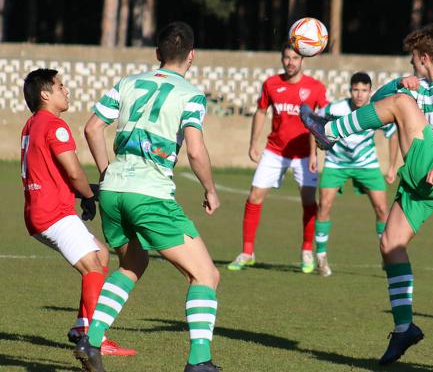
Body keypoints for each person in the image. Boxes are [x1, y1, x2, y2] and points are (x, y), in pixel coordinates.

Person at [301, 24, 433, 364]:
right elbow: (376, 103)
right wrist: (400, 83)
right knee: (390, 244)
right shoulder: (414, 88)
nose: (412, 65)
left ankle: (329, 131)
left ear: (424, 57)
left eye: (413, 60)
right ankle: (404, 329)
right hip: (419, 177)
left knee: (401, 104)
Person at [73, 22, 222, 372]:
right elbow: (196, 152)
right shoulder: (191, 94)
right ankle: (199, 363)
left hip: (112, 193)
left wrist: (106, 171)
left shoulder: (127, 83)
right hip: (150, 195)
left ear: (157, 54)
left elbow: (93, 126)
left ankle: (91, 339)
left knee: (132, 264)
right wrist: (210, 190)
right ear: (192, 56)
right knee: (206, 276)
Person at [20, 68, 135, 357]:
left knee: (100, 253)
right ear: (46, 94)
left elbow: (48, 172)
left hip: (39, 211)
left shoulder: (31, 124)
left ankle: (82, 325)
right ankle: (97, 339)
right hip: (53, 213)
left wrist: (84, 193)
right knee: (93, 268)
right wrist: (88, 194)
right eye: (61, 86)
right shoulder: (55, 125)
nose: (66, 90)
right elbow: (72, 171)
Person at [227, 44, 328, 273]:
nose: (290, 62)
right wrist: (254, 142)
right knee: (254, 196)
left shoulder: (315, 88)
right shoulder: (271, 84)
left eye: (295, 58)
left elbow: (323, 119)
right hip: (275, 151)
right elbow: (261, 111)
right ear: (282, 59)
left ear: (303, 60)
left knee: (309, 201)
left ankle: (306, 251)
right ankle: (247, 252)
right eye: (286, 57)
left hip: (304, 155)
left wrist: (315, 152)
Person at [312, 71, 399, 277]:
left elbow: (392, 134)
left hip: (366, 164)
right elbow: (314, 125)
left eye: (364, 90)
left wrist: (393, 166)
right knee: (324, 205)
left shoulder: (376, 110)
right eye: (355, 90)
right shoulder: (336, 108)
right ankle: (321, 257)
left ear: (370, 91)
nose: (359, 95)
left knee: (381, 208)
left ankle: (387, 255)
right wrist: (313, 154)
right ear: (350, 90)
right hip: (336, 163)